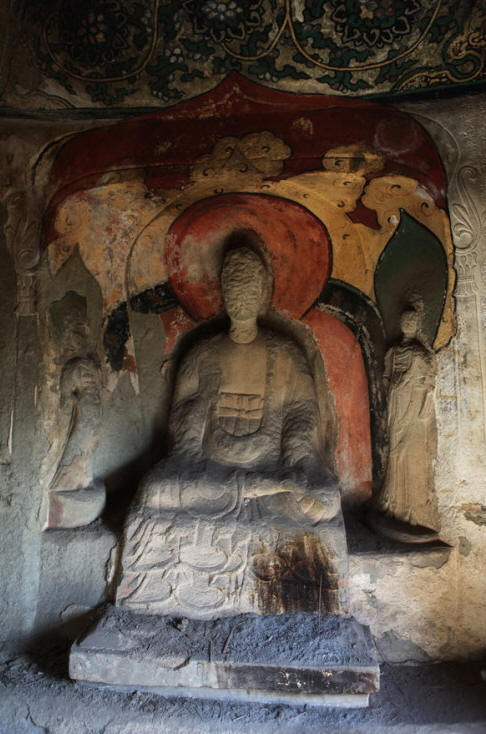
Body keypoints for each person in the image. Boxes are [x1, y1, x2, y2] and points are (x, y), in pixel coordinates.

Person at [117, 236, 348, 617]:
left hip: (273, 464)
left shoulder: (286, 353)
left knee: (324, 501)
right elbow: (183, 423)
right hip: (213, 469)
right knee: (154, 491)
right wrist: (198, 425)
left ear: (264, 291)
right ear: (221, 292)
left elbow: (302, 414)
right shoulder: (202, 353)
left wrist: (296, 460)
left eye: (250, 287)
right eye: (233, 287)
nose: (241, 297)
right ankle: (263, 489)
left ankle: (270, 490)